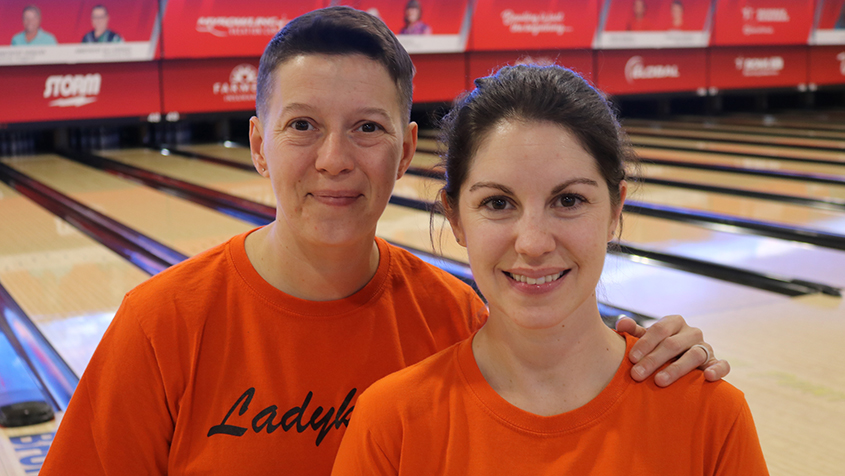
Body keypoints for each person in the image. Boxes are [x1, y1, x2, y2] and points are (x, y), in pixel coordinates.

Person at [41, 7, 728, 475]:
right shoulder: (162, 324)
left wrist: (652, 353)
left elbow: (564, 364)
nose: (334, 159)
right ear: (257, 145)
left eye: (367, 128)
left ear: (404, 151)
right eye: (302, 126)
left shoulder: (457, 318)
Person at [332, 64, 768, 475]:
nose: (534, 243)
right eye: (498, 203)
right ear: (456, 218)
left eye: (569, 200)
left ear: (615, 209)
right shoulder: (390, 424)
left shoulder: (710, 414)